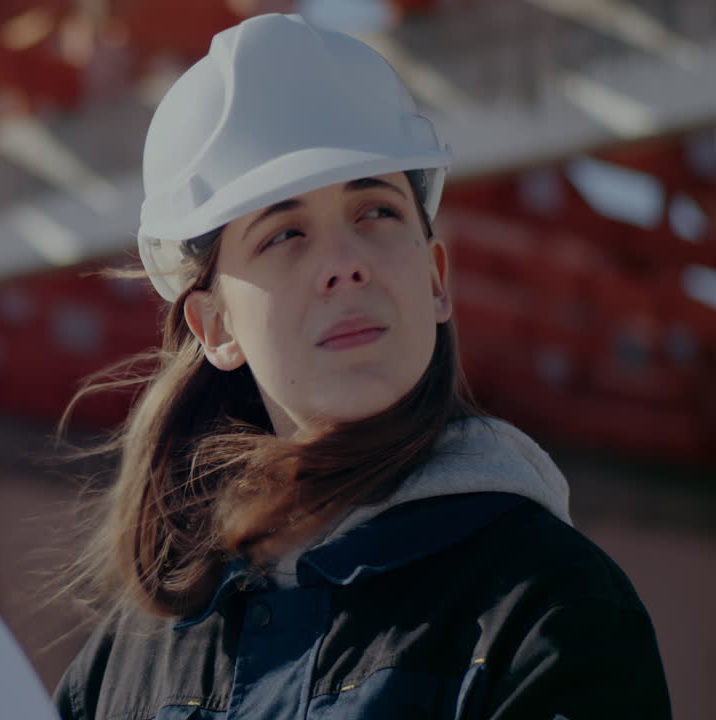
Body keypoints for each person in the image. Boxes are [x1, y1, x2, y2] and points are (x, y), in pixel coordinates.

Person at [53, 13, 670, 720]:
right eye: (284, 233)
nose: (344, 265)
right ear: (216, 327)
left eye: (374, 211)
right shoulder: (120, 671)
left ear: (437, 278)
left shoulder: (549, 611)